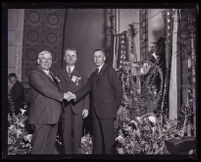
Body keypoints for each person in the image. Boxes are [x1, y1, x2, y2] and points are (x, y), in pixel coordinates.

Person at [69, 49, 123, 154]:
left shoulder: (109, 70)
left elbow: (119, 90)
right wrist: (74, 95)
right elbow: (85, 89)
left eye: (99, 56)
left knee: (108, 142)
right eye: (95, 57)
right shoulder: (93, 75)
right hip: (96, 113)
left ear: (104, 58)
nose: (97, 59)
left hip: (107, 113)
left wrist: (113, 108)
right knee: (98, 142)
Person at [28, 50, 73, 154]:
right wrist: (63, 95)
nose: (46, 61)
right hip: (42, 117)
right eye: (44, 59)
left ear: (51, 62)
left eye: (49, 59)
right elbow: (45, 89)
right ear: (38, 61)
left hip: (53, 117)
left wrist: (67, 93)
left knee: (49, 149)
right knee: (38, 149)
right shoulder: (34, 73)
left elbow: (56, 89)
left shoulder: (52, 74)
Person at [58, 48, 89, 154]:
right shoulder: (59, 73)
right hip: (65, 108)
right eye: (68, 56)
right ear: (64, 58)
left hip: (78, 108)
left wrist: (86, 107)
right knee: (65, 134)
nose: (70, 58)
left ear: (76, 58)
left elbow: (86, 91)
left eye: (73, 56)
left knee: (77, 135)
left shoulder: (81, 73)